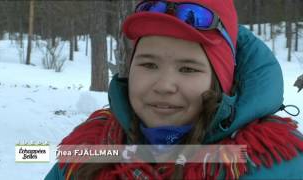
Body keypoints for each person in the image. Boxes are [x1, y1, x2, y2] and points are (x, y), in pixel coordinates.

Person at [45, 0, 303, 179]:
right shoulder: (89, 152)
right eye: (149, 64)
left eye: (188, 69)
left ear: (221, 81)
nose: (164, 86)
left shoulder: (280, 164)